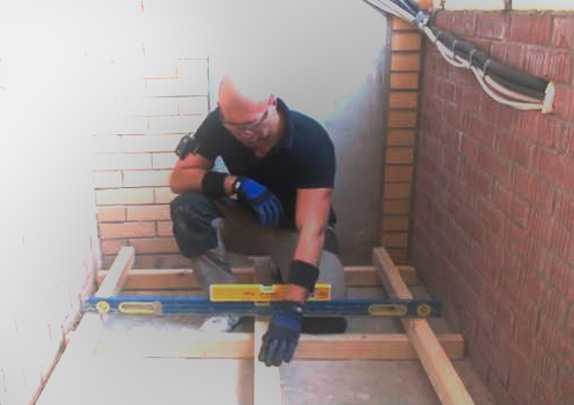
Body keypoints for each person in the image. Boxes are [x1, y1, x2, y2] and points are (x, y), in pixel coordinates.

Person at [169, 76, 347, 367]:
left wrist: (293, 306)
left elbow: (312, 229)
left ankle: (283, 270)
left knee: (326, 320)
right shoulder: (218, 123)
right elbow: (178, 179)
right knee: (187, 208)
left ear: (271, 103)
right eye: (235, 127)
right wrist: (235, 183)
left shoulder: (310, 139)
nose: (245, 135)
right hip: (246, 224)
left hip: (295, 232)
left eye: (252, 124)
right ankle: (226, 305)